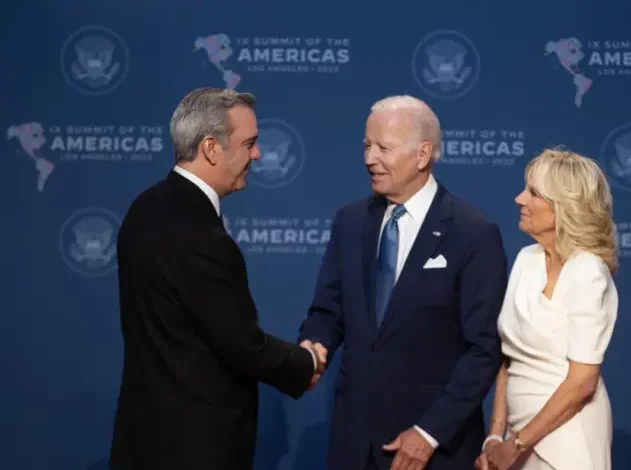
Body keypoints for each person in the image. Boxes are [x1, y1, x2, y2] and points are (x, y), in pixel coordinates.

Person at [109, 87, 325, 470]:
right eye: (250, 143)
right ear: (211, 147)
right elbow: (243, 346)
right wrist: (305, 362)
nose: (257, 155)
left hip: (142, 442)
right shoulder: (202, 237)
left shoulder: (145, 207)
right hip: (195, 449)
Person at [297, 95, 509, 470]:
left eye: (383, 148)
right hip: (353, 445)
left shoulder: (473, 233)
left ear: (422, 154)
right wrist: (313, 347)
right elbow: (327, 311)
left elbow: (484, 349)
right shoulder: (350, 222)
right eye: (366, 146)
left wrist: (429, 433)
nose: (369, 159)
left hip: (433, 451)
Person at [475, 149, 619, 470]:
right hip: (517, 437)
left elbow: (582, 382)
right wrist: (495, 437)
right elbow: (510, 358)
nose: (518, 198)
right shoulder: (526, 260)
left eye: (533, 193)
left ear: (564, 206)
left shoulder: (588, 271)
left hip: (568, 436)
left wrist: (517, 443)